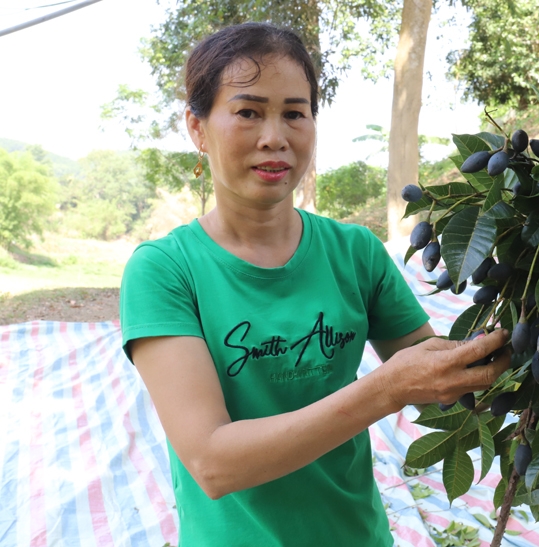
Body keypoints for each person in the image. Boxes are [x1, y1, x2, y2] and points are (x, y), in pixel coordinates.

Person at [119, 22, 511, 547]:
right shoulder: (165, 270)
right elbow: (212, 463)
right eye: (248, 111)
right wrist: (385, 390)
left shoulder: (355, 253)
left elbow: (440, 387)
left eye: (295, 113)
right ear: (197, 127)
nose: (275, 137)